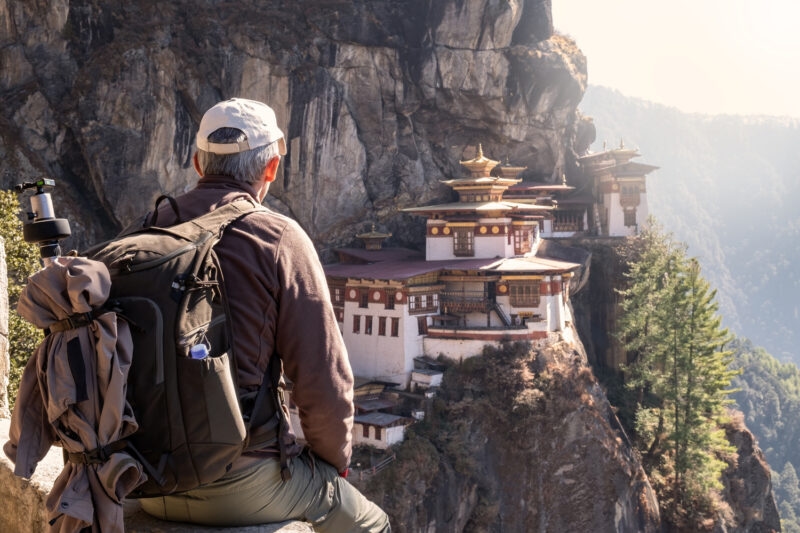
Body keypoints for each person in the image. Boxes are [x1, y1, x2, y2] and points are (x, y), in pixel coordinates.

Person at [137, 98, 391, 532]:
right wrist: (331, 469)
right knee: (373, 523)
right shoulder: (278, 238)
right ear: (271, 168)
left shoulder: (149, 228)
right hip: (243, 481)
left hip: (147, 479)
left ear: (199, 164)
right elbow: (324, 380)